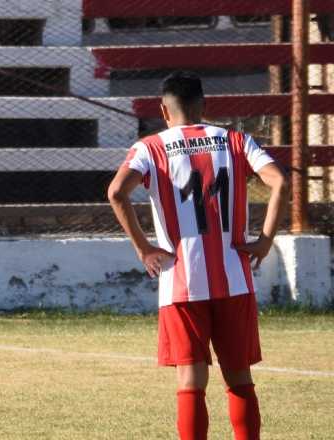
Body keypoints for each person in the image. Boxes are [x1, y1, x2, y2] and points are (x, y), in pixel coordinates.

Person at [107, 72, 288, 440]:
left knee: (191, 381)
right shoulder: (235, 140)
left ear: (164, 109)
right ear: (203, 105)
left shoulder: (150, 147)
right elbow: (281, 182)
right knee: (239, 378)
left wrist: (143, 248)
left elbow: (116, 193)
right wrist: (265, 241)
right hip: (234, 278)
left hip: (181, 281)